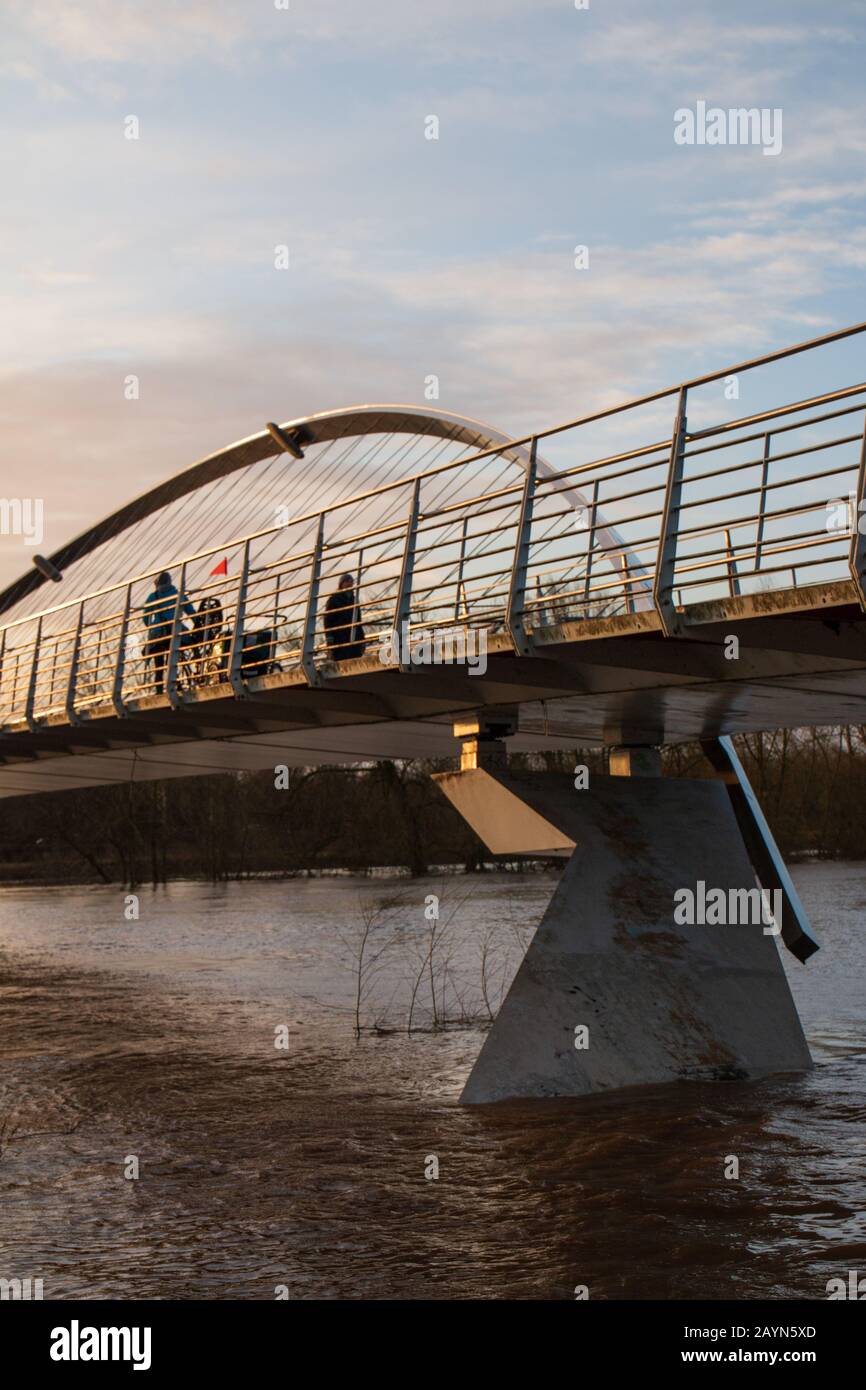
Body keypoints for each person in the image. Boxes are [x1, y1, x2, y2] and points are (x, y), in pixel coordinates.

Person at [142, 571, 195, 694]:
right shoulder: (178, 594)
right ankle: (175, 683)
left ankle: (159, 689)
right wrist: (198, 623)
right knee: (173, 658)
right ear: (169, 581)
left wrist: (151, 627)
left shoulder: (153, 596)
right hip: (175, 630)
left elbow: (145, 617)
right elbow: (190, 611)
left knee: (158, 665)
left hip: (158, 633)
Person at [323, 573, 365, 661]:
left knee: (355, 660)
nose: (349, 583)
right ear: (341, 584)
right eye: (347, 581)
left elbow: (358, 621)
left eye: (351, 581)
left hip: (354, 637)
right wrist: (329, 639)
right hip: (340, 637)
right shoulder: (334, 599)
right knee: (342, 658)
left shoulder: (354, 600)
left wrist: (362, 639)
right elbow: (328, 620)